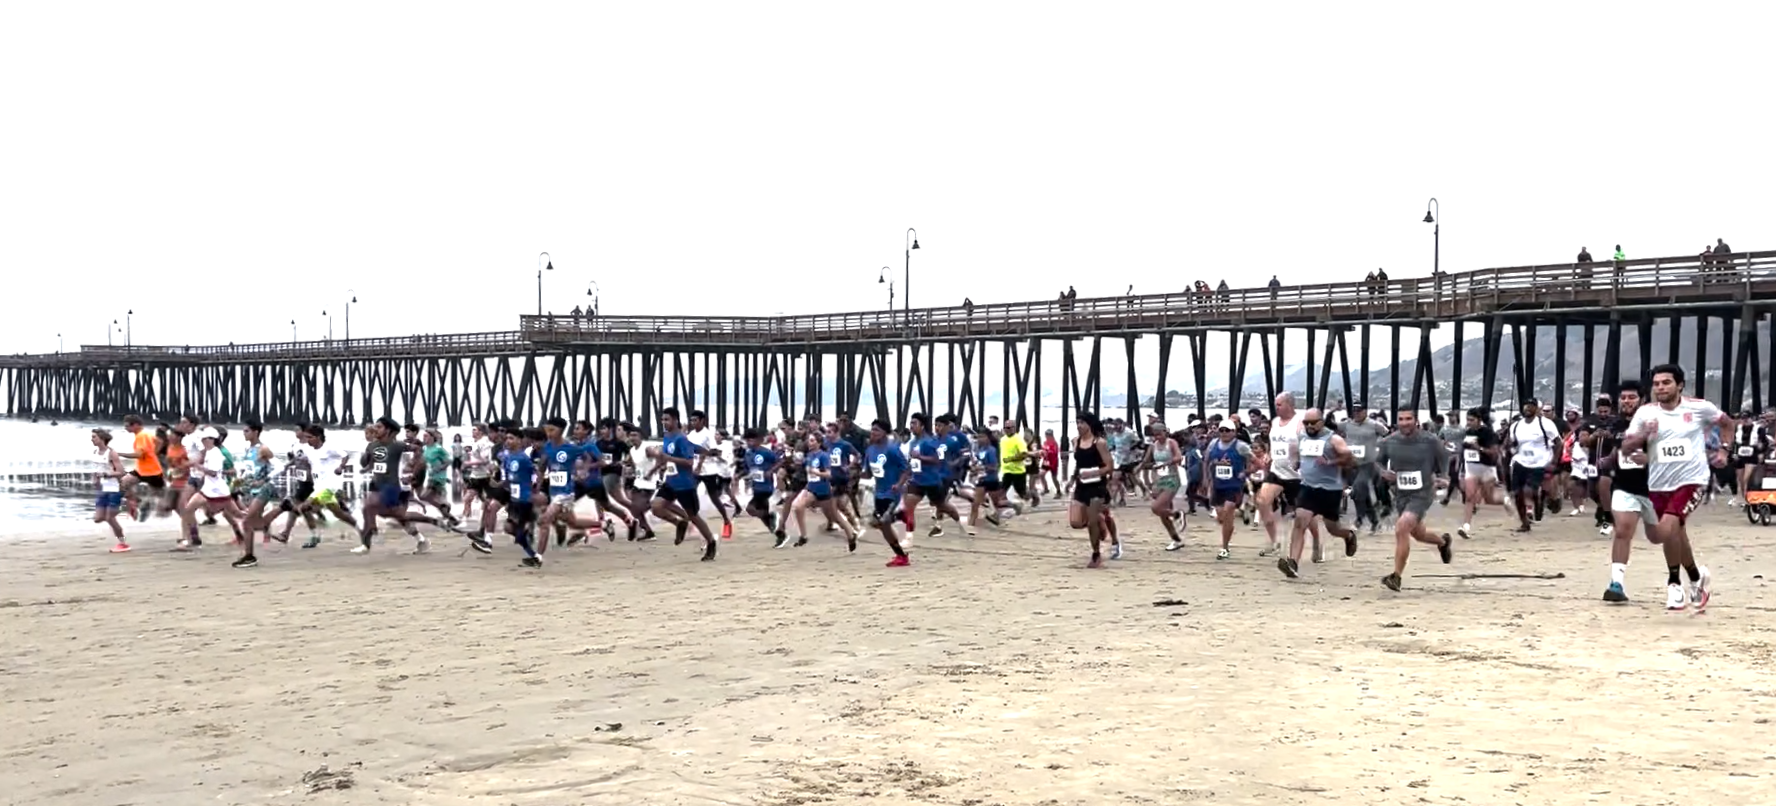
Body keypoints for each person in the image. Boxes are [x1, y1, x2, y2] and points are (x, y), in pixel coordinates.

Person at [1618, 364, 1731, 611]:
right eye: (1656, 384)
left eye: (1666, 383)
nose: (1660, 388)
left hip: (1692, 480)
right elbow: (1626, 448)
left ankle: (1673, 584)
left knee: (1666, 530)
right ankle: (1695, 578)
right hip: (1659, 482)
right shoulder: (1645, 413)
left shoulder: (1700, 407)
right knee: (1671, 532)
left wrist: (1724, 450)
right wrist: (1644, 436)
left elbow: (1726, 423)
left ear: (1679, 385)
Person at [1374, 410, 1454, 591]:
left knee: (1402, 526)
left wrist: (1444, 477)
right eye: (1401, 419)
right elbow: (1377, 462)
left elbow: (1444, 457)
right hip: (1401, 494)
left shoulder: (1430, 440)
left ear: (1416, 421)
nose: (1404, 423)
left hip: (1423, 492)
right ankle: (1442, 542)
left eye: (1408, 419)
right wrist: (1382, 472)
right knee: (1418, 534)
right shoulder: (1389, 441)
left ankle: (1396, 576)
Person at [1279, 409, 1359, 578]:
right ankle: (1293, 562)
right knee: (1300, 521)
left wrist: (1331, 461)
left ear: (1321, 422)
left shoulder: (1333, 439)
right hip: (1308, 487)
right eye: (1306, 422)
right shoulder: (1302, 437)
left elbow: (1351, 459)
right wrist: (1296, 462)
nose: (1309, 426)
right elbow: (1296, 451)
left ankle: (1348, 535)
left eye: (1312, 423)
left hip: (1330, 490)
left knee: (1333, 528)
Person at [647, 407, 718, 561]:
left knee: (694, 516)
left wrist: (667, 457)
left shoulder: (681, 439)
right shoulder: (667, 437)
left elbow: (689, 462)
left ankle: (711, 542)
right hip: (671, 482)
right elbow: (666, 457)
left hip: (685, 484)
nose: (664, 423)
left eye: (667, 419)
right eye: (662, 420)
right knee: (656, 506)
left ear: (675, 420)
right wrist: (656, 468)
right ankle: (679, 523)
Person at [1068, 413, 1116, 568]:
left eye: (1082, 422)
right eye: (1077, 422)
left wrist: (1093, 473)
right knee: (1075, 522)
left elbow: (1109, 467)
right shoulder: (1075, 441)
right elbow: (1078, 464)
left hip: (1097, 486)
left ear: (1089, 424)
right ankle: (1100, 521)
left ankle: (1096, 554)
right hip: (1081, 485)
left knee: (1091, 523)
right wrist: (1071, 479)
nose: (1079, 425)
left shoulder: (1099, 443)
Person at [1200, 422, 1255, 559]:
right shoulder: (1213, 444)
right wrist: (1206, 479)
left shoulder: (1241, 446)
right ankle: (1240, 513)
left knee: (1228, 509)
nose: (1224, 433)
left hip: (1234, 485)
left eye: (1227, 430)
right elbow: (1206, 461)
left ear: (1234, 432)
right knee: (1221, 517)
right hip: (1218, 486)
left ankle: (1224, 548)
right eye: (1222, 430)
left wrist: (1246, 472)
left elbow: (1257, 463)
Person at [864, 419, 914, 566]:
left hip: (892, 493)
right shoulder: (870, 450)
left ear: (885, 433)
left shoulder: (892, 450)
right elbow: (868, 473)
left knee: (884, 521)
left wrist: (898, 484)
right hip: (879, 493)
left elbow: (907, 469)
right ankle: (901, 555)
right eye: (872, 430)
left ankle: (902, 557)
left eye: (877, 430)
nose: (873, 433)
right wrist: (852, 474)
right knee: (879, 525)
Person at [1506, 398, 1560, 532]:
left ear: (1537, 409)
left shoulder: (1545, 424)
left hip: (1539, 463)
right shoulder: (1516, 426)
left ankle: (1542, 502)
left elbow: (1559, 443)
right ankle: (1524, 522)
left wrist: (1554, 462)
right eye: (1526, 406)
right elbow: (1512, 444)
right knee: (1517, 494)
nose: (1528, 409)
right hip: (1521, 461)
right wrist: (1508, 448)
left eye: (1531, 406)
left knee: (1528, 490)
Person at [1456, 408, 1507, 538]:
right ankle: (1466, 526)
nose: (1469, 422)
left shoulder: (1488, 433)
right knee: (1469, 497)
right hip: (1471, 468)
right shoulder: (1467, 432)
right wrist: (1460, 464)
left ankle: (1504, 500)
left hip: (1486, 468)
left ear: (1479, 420)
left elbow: (1494, 452)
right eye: (1467, 420)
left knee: (1489, 498)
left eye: (1472, 420)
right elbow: (1464, 451)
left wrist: (1479, 448)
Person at [1338, 406, 1389, 533]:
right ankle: (1374, 522)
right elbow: (1329, 426)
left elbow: (1388, 434)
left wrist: (1380, 449)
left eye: (1359, 411)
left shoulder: (1374, 425)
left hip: (1367, 464)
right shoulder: (1347, 425)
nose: (1357, 414)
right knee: (1358, 494)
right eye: (1354, 411)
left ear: (1365, 412)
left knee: (1358, 488)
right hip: (1352, 464)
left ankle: (1359, 519)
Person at [1143, 423, 1187, 551]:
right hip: (1159, 481)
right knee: (1163, 514)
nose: (1158, 437)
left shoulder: (1171, 443)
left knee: (1156, 508)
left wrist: (1165, 463)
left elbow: (1178, 457)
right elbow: (1146, 462)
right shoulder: (1153, 446)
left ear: (1165, 432)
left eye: (1160, 433)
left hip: (1172, 479)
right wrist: (1140, 471)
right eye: (1155, 434)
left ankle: (1177, 514)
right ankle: (1176, 539)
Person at [90, 428, 130, 552]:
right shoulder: (95, 451)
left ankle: (123, 543)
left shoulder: (111, 453)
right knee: (98, 518)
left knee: (109, 518)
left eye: (94, 437)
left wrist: (107, 475)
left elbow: (121, 472)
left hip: (114, 488)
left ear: (102, 439)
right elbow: (96, 468)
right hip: (102, 488)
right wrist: (94, 479)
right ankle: (120, 509)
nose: (92, 439)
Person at [998, 418, 1033, 509]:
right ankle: (1004, 510)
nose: (1007, 429)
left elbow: (1024, 455)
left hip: (1018, 472)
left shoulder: (1018, 439)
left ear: (1014, 428)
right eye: (1005, 427)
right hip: (1006, 471)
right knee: (1001, 492)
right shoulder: (1003, 439)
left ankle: (1033, 494)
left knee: (1023, 494)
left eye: (1009, 428)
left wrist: (1011, 459)